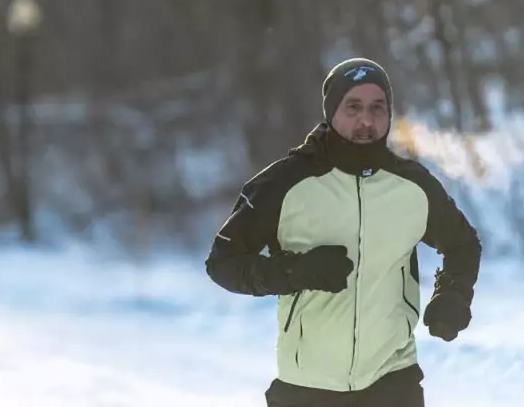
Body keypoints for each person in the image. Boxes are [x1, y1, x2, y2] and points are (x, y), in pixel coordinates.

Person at [205, 58, 482, 407]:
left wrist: (454, 294)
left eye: (377, 108)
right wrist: (291, 273)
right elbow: (222, 263)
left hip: (393, 381)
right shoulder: (284, 184)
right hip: (305, 388)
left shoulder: (413, 186)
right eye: (353, 107)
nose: (366, 120)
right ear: (331, 111)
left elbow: (463, 244)